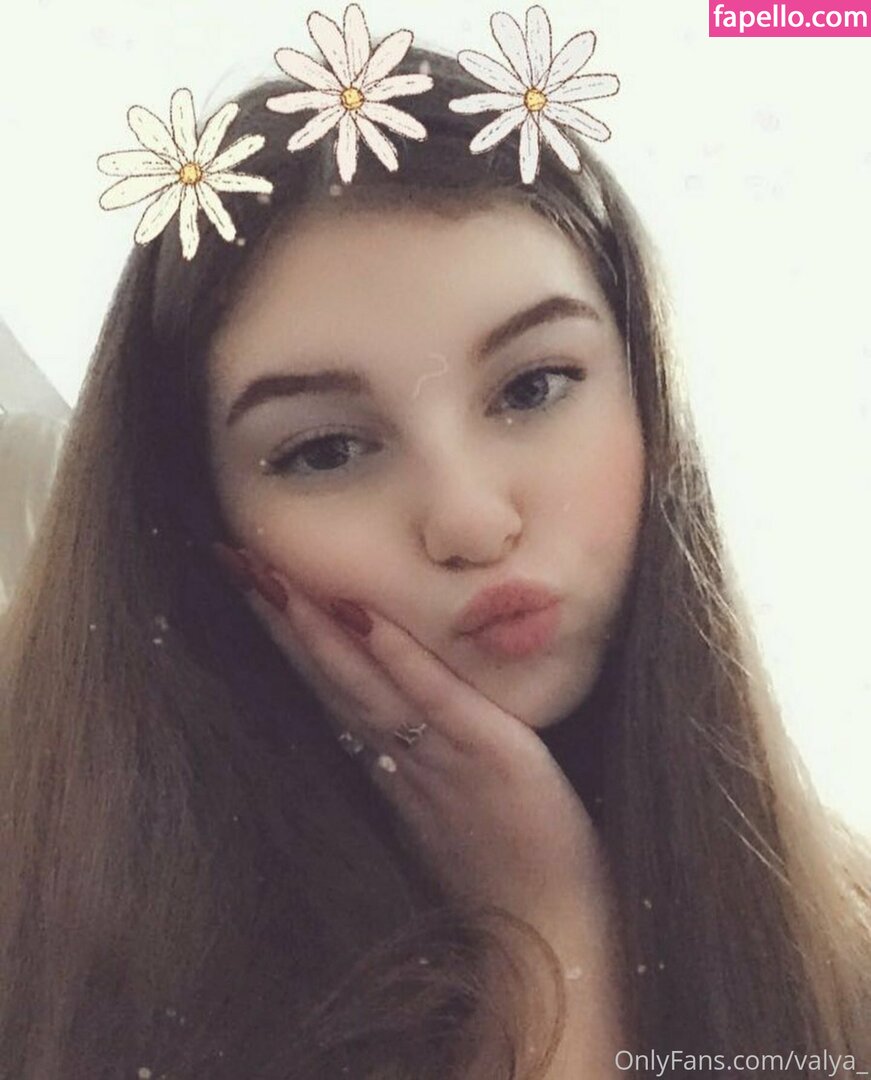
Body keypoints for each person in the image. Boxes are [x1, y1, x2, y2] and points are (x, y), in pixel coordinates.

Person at [0, 35, 869, 1080]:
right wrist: (546, 927)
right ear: (201, 525)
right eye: (326, 450)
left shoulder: (840, 932)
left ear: (645, 391)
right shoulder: (84, 972)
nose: (469, 520)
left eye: (534, 388)